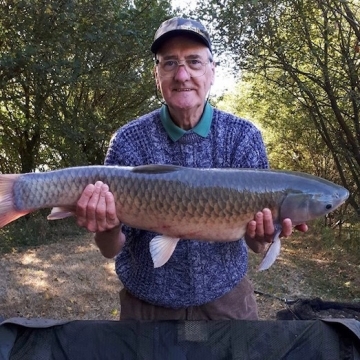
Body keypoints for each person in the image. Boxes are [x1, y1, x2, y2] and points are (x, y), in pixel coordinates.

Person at [75, 17, 308, 320]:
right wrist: (105, 226)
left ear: (212, 71)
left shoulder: (243, 137)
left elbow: (254, 242)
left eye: (194, 62)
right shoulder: (128, 140)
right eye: (169, 63)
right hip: (147, 305)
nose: (182, 75)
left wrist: (264, 235)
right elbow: (111, 248)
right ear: (156, 75)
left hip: (226, 299)